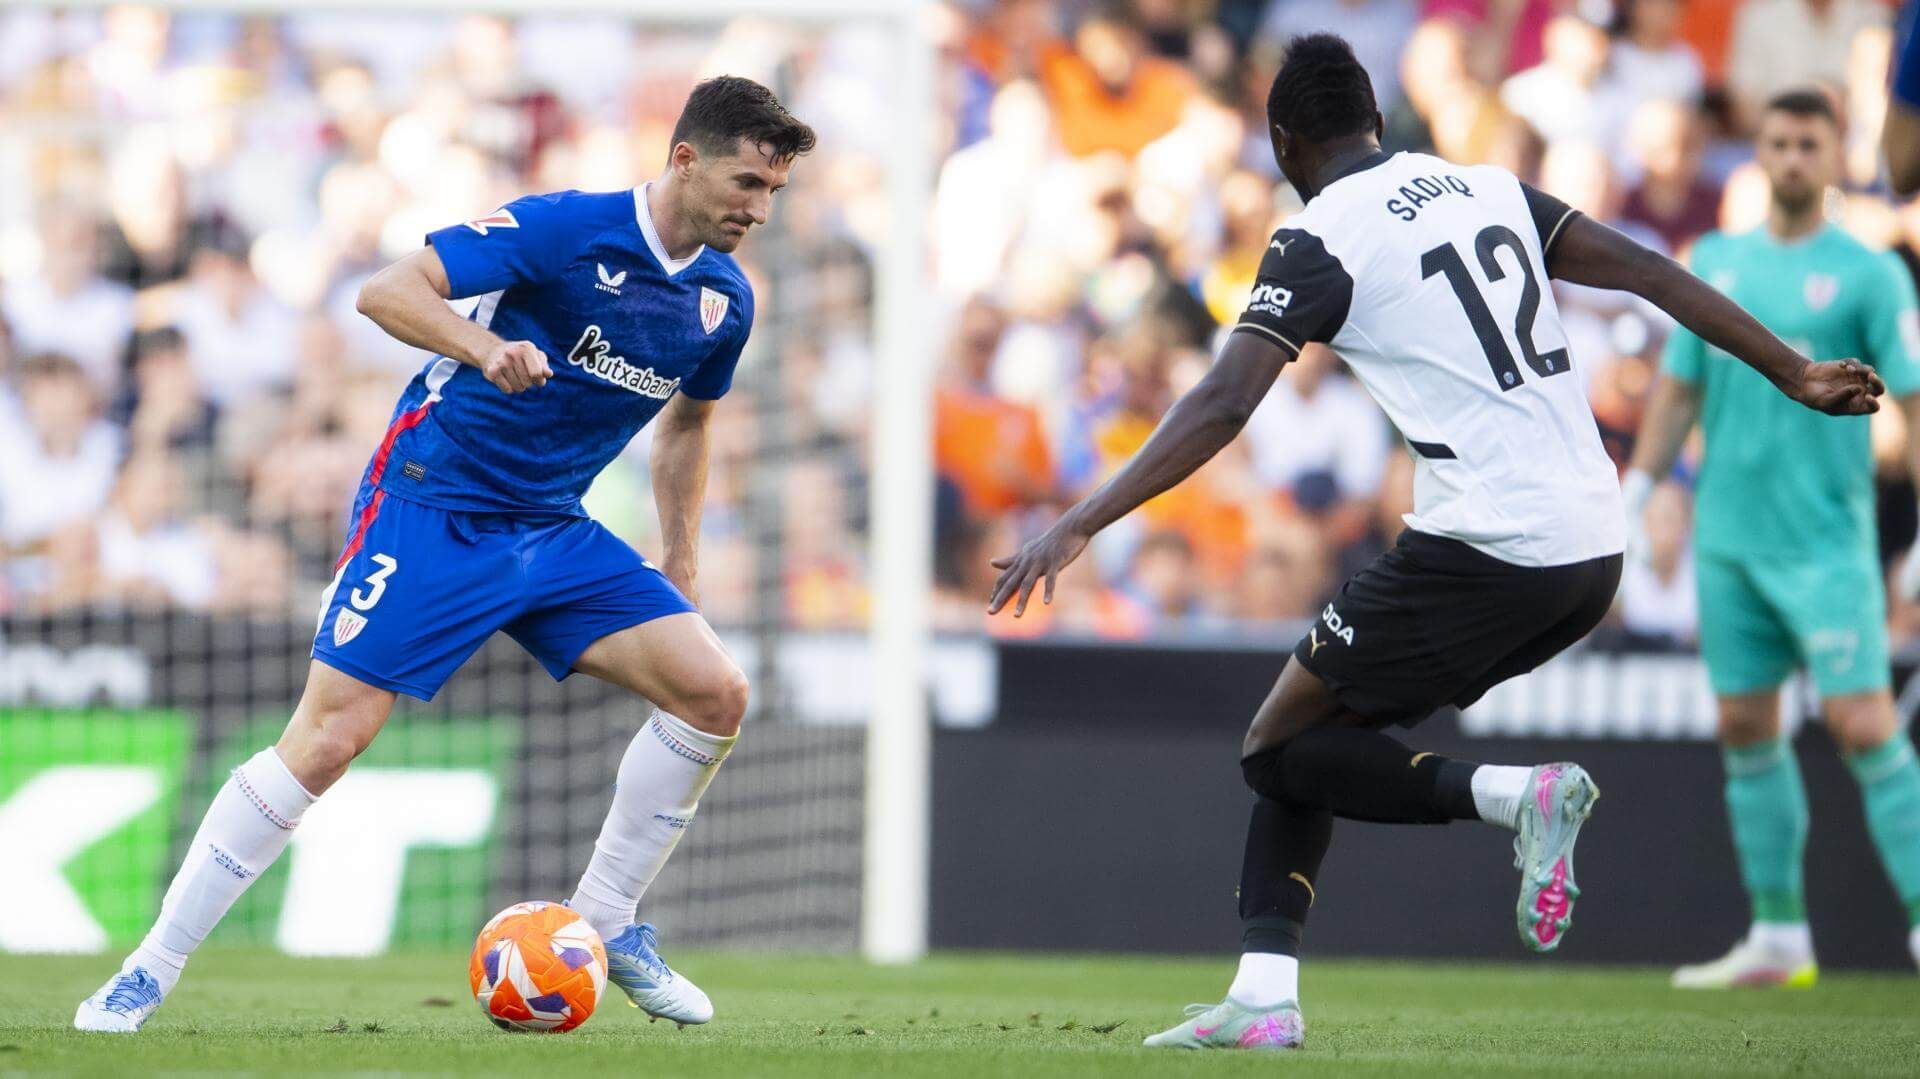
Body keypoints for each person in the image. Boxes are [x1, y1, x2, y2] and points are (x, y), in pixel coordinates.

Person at [987, 34, 1882, 1052]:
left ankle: (1516, 797)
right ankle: (1264, 991)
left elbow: (1227, 398)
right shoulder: (1484, 187)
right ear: (1376, 116)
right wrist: (1792, 370)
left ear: (1284, 140)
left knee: (1275, 744)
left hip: (1489, 544)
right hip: (1592, 549)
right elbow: (1645, 269)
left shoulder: (1320, 236)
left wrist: (1080, 519)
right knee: (1308, 735)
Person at [74, 76, 815, 1034]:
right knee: (329, 738)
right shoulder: (562, 228)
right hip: (434, 503)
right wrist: (479, 346)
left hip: (551, 525)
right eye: (748, 183)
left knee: (716, 693)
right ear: (684, 159)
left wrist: (679, 562)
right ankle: (149, 967)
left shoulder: (722, 298)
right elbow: (386, 290)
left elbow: (688, 425)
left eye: (773, 193)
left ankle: (605, 918)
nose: (758, 209)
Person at [1627, 89, 1920, 988]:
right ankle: (1780, 935)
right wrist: (1636, 487)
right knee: (1743, 721)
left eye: (1809, 142)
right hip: (1728, 540)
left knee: (1863, 720)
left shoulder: (1872, 273)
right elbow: (1679, 389)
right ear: (1758, 151)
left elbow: (1913, 401)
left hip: (1828, 541)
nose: (1793, 156)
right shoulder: (1715, 261)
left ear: (1836, 155)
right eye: (1778, 141)